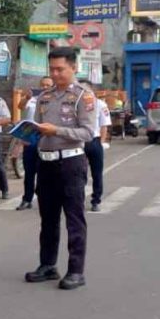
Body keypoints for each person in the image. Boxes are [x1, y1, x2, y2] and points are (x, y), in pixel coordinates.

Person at [24, 47, 95, 291]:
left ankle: (76, 270)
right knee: (48, 218)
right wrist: (27, 131)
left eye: (60, 69)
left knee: (74, 219)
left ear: (73, 68)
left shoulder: (83, 96)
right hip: (46, 162)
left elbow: (88, 133)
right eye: (51, 69)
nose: (55, 74)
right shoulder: (44, 97)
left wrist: (57, 131)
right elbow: (37, 127)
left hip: (71, 163)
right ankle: (48, 265)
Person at [16, 76, 54, 211]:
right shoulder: (31, 98)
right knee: (29, 171)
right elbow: (20, 107)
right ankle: (27, 199)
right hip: (31, 137)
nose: (45, 87)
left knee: (45, 171)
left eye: (48, 85)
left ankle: (44, 197)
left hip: (47, 137)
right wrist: (26, 97)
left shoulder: (55, 99)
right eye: (43, 85)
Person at [79, 80, 111, 212]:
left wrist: (101, 143)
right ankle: (78, 199)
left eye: (86, 89)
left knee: (97, 173)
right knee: (79, 173)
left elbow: (104, 125)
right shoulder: (75, 105)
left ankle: (96, 200)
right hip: (79, 142)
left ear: (91, 91)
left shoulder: (100, 104)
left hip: (94, 141)